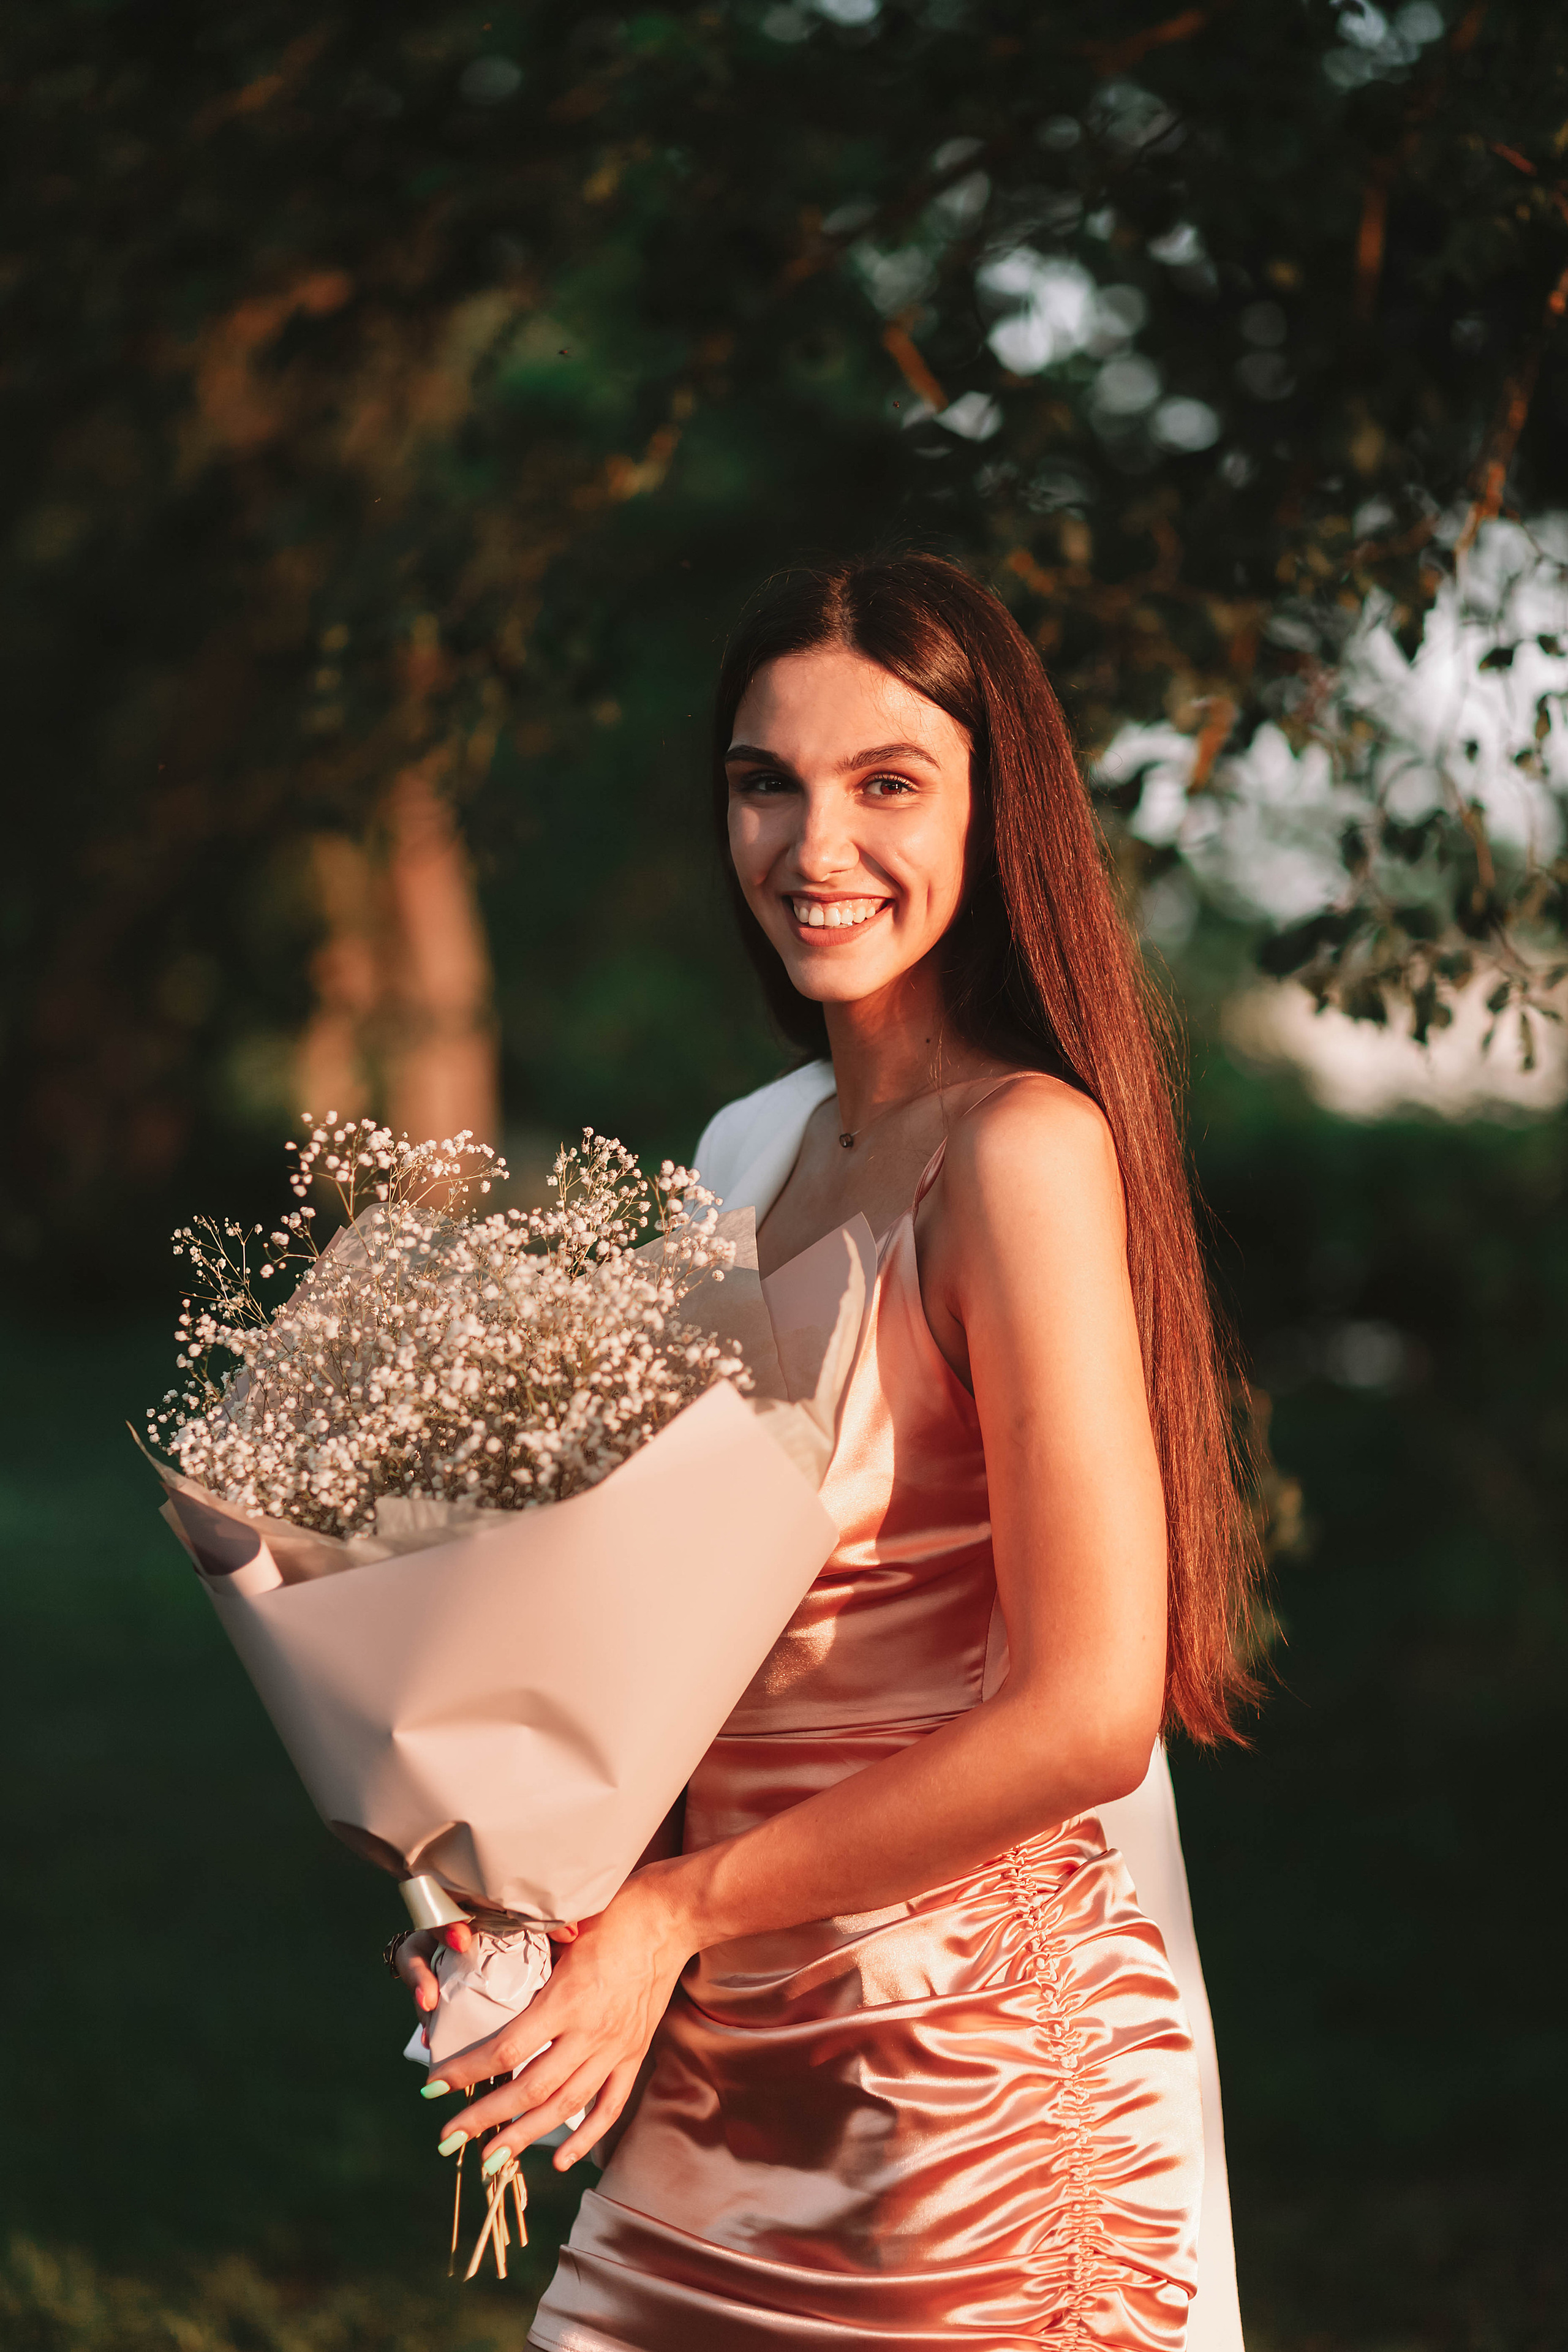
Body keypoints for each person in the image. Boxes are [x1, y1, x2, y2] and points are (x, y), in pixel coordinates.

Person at [399, 553, 1261, 2348]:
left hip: (973, 2104)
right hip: (718, 2069)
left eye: (888, 782)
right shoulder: (746, 1146)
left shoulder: (1021, 1151)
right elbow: (680, 1651)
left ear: (993, 811)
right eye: (765, 782)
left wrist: (673, 1912)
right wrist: (523, 1889)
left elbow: (1090, 1713)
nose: (816, 845)